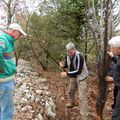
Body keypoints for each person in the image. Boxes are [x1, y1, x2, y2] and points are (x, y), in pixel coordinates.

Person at [0, 23, 27, 120]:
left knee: (2, 108)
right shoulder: (3, 39)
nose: (19, 37)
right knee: (7, 111)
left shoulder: (7, 39)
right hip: (4, 81)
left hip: (4, 81)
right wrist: (2, 69)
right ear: (14, 31)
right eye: (19, 34)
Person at [59, 42, 89, 120]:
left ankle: (84, 116)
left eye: (70, 51)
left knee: (82, 97)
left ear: (74, 49)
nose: (69, 53)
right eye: (68, 51)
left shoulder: (79, 56)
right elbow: (67, 65)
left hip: (81, 77)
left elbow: (78, 70)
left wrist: (67, 73)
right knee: (70, 91)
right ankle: (72, 103)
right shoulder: (68, 55)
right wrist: (63, 65)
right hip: (73, 77)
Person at [105, 36, 120, 120]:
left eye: (113, 48)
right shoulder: (118, 57)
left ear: (119, 48)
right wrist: (112, 57)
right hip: (118, 86)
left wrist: (113, 79)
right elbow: (118, 62)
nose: (112, 50)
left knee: (116, 115)